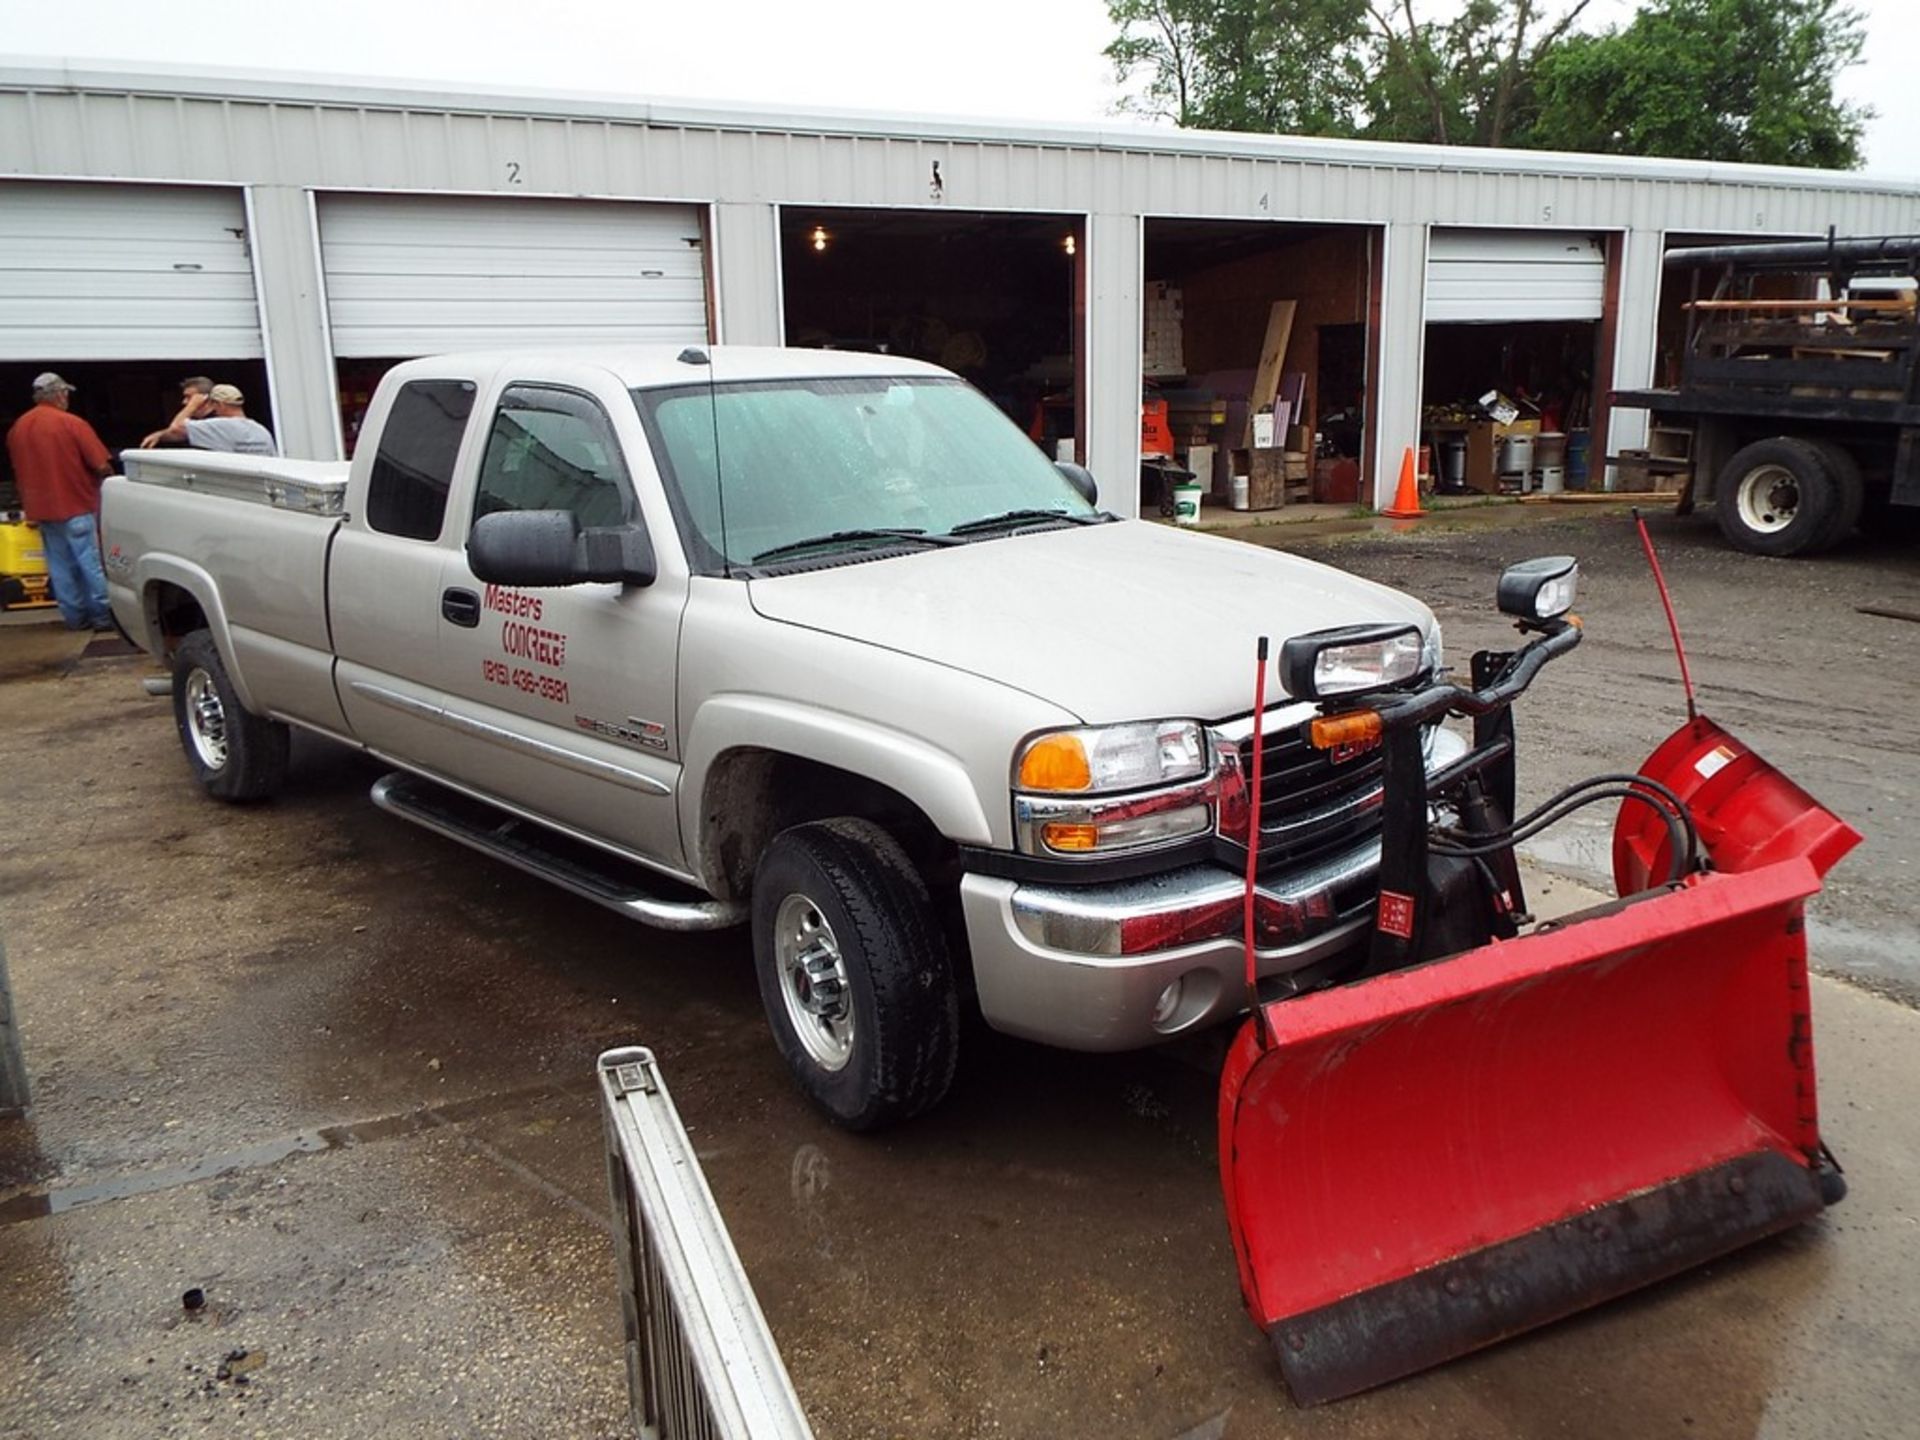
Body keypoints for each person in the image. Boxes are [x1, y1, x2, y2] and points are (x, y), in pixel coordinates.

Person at [4, 373, 115, 631]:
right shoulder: (72, 424)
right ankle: (102, 616)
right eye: (65, 394)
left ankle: (75, 618)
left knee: (60, 565)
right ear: (60, 394)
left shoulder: (18, 428)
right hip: (76, 505)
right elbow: (101, 464)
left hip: (42, 511)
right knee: (90, 563)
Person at [141, 382, 278, 456]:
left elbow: (176, 428)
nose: (184, 402)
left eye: (189, 398)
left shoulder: (222, 426)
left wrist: (193, 405)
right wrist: (160, 434)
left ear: (217, 404)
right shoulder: (261, 431)